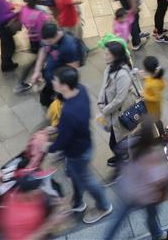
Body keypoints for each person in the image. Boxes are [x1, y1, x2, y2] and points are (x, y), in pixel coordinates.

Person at [46, 66, 113, 224]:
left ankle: (104, 206)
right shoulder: (81, 90)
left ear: (64, 86)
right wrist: (58, 127)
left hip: (77, 152)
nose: (52, 81)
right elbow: (76, 123)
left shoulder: (68, 112)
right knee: (75, 174)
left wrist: (48, 147)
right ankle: (77, 201)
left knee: (87, 180)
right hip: (84, 143)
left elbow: (63, 141)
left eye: (55, 80)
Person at [104, 114, 168, 240]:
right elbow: (158, 178)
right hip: (147, 196)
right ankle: (157, 234)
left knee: (119, 218)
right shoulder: (153, 156)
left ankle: (108, 237)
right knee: (151, 216)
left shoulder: (130, 143)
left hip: (128, 190)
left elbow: (119, 156)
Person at [94, 41, 138, 168]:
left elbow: (120, 99)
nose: (104, 56)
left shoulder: (122, 74)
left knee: (117, 140)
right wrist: (100, 101)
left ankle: (124, 159)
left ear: (115, 56)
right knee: (117, 136)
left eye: (107, 54)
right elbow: (104, 86)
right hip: (111, 110)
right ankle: (122, 156)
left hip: (119, 112)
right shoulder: (109, 67)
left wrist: (105, 110)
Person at [30, 22, 82, 108]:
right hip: (49, 78)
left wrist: (60, 88)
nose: (47, 44)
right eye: (45, 42)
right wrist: (37, 70)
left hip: (60, 82)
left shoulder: (69, 46)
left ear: (57, 35)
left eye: (49, 42)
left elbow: (73, 69)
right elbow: (43, 50)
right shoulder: (48, 38)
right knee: (44, 101)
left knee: (58, 106)